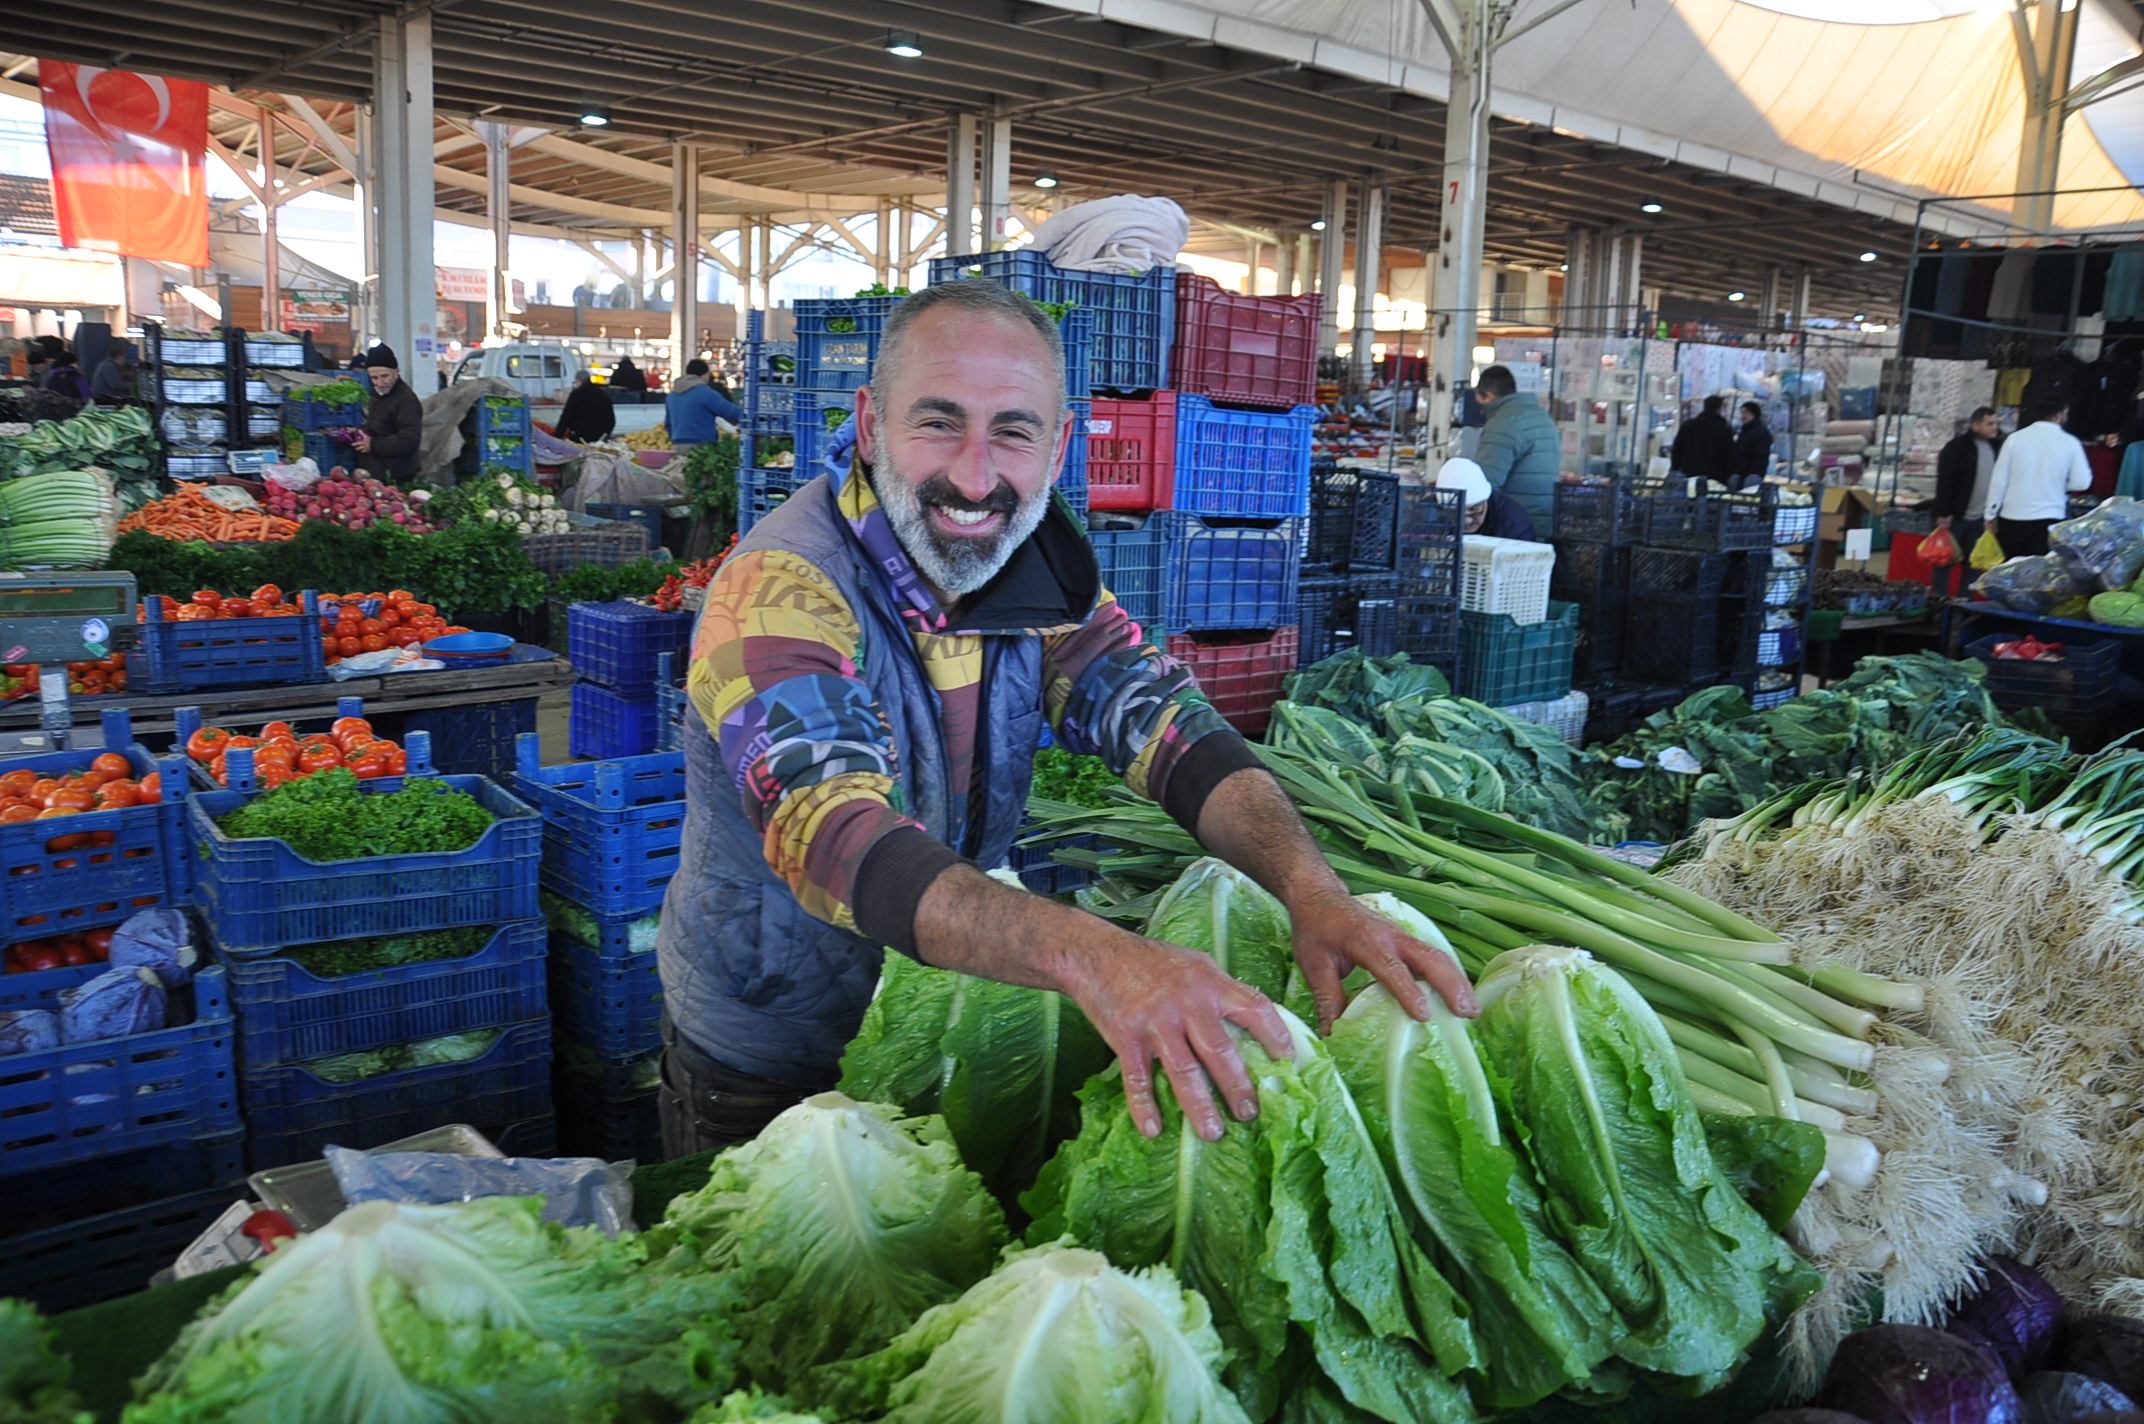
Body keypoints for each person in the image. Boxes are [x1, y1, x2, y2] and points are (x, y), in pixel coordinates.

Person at [661, 280, 1474, 1155]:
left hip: (953, 996)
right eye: (938, 422)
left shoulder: (1029, 564)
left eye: (1012, 431)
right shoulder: (779, 587)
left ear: (1057, 450)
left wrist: (1315, 892)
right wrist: (1101, 956)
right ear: (868, 424)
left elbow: (1164, 724)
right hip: (782, 1044)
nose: (975, 475)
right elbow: (829, 833)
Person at [1984, 398, 2092, 560]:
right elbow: (2082, 482)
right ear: (2059, 416)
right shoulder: (2070, 443)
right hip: (2049, 516)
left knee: (2007, 573)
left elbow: (1999, 479)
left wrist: (1990, 514)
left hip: (2012, 516)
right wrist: (2058, 483)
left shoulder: (2015, 439)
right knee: (2038, 576)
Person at [1470, 365, 1559, 528]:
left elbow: (1487, 480)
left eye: (1480, 403)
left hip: (1515, 523)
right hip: (1545, 518)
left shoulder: (1504, 422)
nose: (1481, 411)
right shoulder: (1541, 416)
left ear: (1488, 397)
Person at [1932, 407, 2003, 585]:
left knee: (1972, 565)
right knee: (1944, 564)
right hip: (1955, 518)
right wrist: (1944, 512)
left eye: (1996, 423)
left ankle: (1965, 606)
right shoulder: (1956, 448)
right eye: (1990, 424)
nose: (1995, 428)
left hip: (1979, 520)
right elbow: (1945, 481)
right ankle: (1940, 604)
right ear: (1975, 425)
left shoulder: (1995, 447)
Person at [350, 343, 424, 482]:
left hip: (395, 477)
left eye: (385, 376)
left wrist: (373, 445)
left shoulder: (406, 400)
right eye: (374, 378)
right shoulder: (378, 394)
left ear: (397, 371)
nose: (380, 383)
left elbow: (409, 439)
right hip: (376, 474)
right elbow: (382, 427)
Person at [1435, 456, 1536, 541]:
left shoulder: (1513, 521)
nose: (1467, 521)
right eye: (1455, 512)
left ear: (1486, 499)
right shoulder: (1431, 516)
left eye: (1474, 509)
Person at [665, 359, 746, 449]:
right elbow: (729, 411)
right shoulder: (705, 392)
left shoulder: (672, 395)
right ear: (705, 375)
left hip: (677, 445)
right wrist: (750, 414)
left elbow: (668, 424)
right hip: (702, 446)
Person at [1670, 395, 1735, 482]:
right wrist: (1729, 475)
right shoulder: (1724, 429)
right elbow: (1729, 455)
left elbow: (1677, 450)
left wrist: (1676, 467)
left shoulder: (1688, 426)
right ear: (1719, 409)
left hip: (1689, 475)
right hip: (1715, 478)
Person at [555, 369, 616, 444]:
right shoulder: (602, 394)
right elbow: (611, 418)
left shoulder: (576, 394)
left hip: (580, 438)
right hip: (600, 438)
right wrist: (606, 433)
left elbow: (567, 416)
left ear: (578, 380)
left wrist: (557, 435)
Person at [1732, 401, 1772, 491]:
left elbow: (1761, 455)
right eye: (1742, 412)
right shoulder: (1745, 431)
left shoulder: (1760, 432)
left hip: (1752, 474)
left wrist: (1754, 473)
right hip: (1741, 473)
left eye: (1745, 412)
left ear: (1753, 413)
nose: (1742, 415)